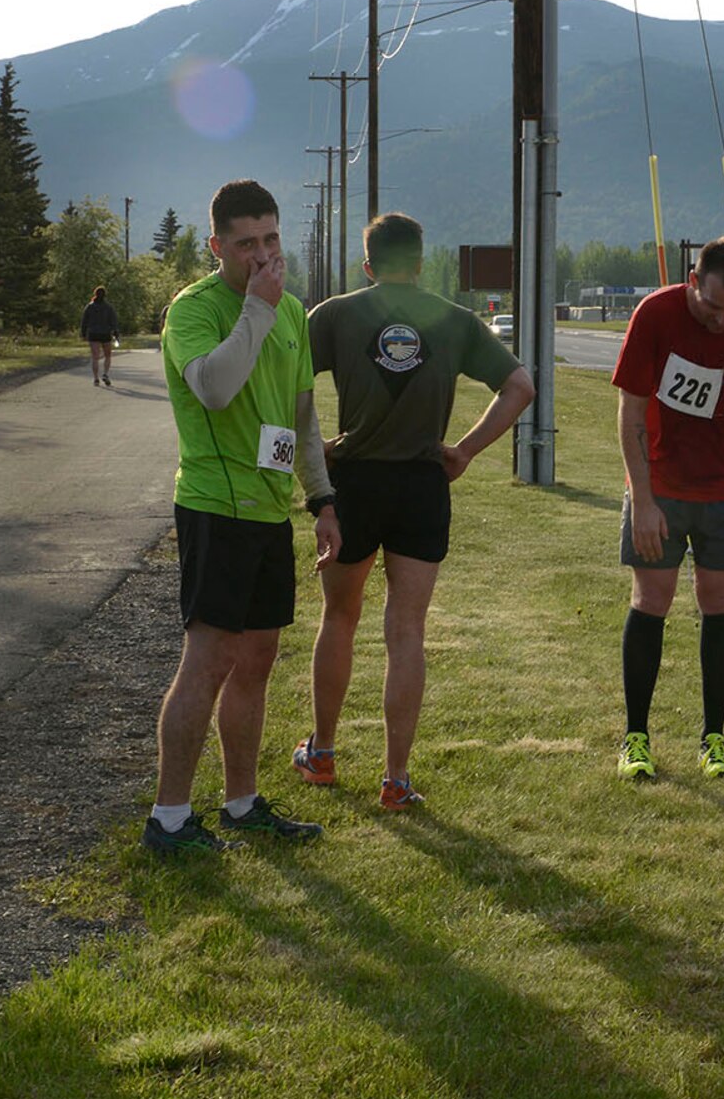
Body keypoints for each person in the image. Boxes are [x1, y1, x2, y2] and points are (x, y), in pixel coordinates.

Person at [292, 213, 535, 809]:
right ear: (422, 264)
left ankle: (322, 754)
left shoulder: (335, 314)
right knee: (407, 631)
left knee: (339, 618)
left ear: (367, 264)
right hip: (422, 484)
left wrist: (318, 447)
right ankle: (396, 780)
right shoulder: (453, 319)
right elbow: (520, 387)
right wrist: (465, 450)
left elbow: (286, 384)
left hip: (354, 482)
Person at [146, 179, 336, 855]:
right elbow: (217, 389)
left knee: (256, 660)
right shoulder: (194, 310)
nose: (262, 255)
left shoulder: (292, 312)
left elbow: (303, 420)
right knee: (208, 660)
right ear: (217, 246)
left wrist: (322, 500)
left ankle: (241, 803)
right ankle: (169, 819)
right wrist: (256, 307)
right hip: (214, 507)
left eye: (271, 239)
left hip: (269, 511)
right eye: (247, 243)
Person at [610, 236, 724, 781]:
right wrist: (643, 500)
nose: (722, 321)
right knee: (651, 600)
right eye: (713, 306)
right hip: (661, 486)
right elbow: (630, 413)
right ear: (693, 280)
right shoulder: (655, 314)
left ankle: (714, 738)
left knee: (719, 602)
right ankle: (636, 738)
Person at [82, 285, 119, 386]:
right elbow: (113, 321)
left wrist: (83, 333)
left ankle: (95, 378)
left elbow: (84, 321)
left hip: (93, 334)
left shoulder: (89, 307)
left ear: (95, 294)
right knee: (108, 356)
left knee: (95, 357)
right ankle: (105, 373)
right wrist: (115, 333)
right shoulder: (108, 307)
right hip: (105, 334)